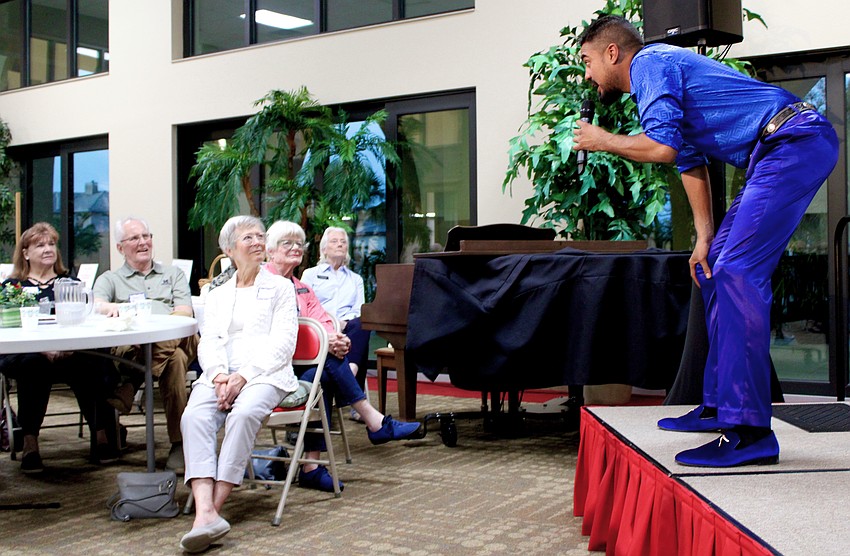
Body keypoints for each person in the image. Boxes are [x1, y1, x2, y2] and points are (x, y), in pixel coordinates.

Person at [573, 15, 839, 467]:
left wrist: (603, 141)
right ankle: (719, 404)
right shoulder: (655, 83)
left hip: (793, 140)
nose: (587, 75)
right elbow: (688, 160)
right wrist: (704, 236)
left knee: (737, 271)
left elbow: (662, 148)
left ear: (612, 52)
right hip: (775, 148)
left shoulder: (650, 63)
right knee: (715, 265)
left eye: (587, 61)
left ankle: (749, 432)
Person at [265, 220, 421, 491]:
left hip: (306, 363)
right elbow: (277, 330)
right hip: (276, 367)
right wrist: (325, 341)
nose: (295, 248)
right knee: (326, 367)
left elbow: (321, 319)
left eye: (298, 243)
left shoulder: (302, 287)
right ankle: (373, 421)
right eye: (286, 243)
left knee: (323, 376)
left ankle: (311, 467)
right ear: (270, 251)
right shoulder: (263, 284)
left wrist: (333, 338)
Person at [178, 216, 296, 553]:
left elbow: (283, 344)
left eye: (261, 236)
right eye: (249, 237)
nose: (259, 242)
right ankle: (205, 512)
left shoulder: (280, 288)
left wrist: (243, 376)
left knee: (242, 415)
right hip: (219, 374)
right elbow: (209, 342)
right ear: (229, 249)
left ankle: (210, 512)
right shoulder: (216, 293)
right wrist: (217, 376)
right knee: (194, 417)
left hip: (265, 374)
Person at [0, 223, 119, 473]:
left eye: (51, 244)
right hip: (27, 354)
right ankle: (30, 444)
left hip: (70, 352)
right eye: (40, 245)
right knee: (34, 365)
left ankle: (101, 436)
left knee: (90, 362)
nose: (47, 249)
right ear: (25, 253)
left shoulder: (70, 283)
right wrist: (44, 347)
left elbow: (86, 319)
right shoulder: (12, 288)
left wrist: (69, 346)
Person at [92, 216, 198, 472]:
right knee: (176, 361)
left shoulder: (173, 274)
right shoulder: (110, 279)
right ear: (120, 247)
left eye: (146, 236)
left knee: (183, 332)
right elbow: (97, 306)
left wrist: (156, 330)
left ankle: (131, 384)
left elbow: (184, 311)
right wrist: (124, 310)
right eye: (134, 238)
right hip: (133, 345)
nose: (143, 242)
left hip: (174, 337)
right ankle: (178, 444)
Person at [300, 227, 372, 396]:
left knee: (362, 323)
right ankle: (352, 387)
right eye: (334, 241)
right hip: (320, 328)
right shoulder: (310, 275)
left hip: (349, 327)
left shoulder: (355, 279)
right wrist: (331, 324)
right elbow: (304, 307)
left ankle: (350, 371)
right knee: (359, 337)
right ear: (324, 249)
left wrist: (343, 324)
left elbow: (358, 309)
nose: (339, 244)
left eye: (343, 241)